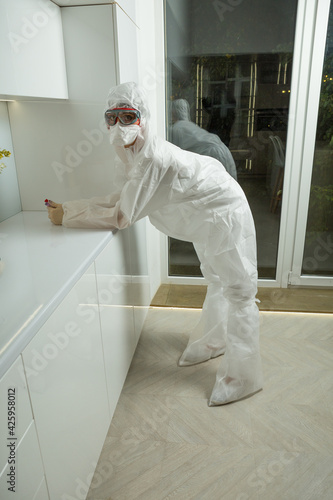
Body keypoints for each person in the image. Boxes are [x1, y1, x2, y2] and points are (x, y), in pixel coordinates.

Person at [47, 81, 263, 406]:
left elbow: (122, 214)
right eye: (111, 117)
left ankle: (242, 377)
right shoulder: (134, 152)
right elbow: (122, 197)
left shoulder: (152, 159)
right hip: (205, 211)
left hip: (223, 211)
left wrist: (66, 218)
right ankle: (214, 342)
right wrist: (69, 207)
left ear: (143, 118)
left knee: (239, 289)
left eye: (127, 116)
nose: (119, 126)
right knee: (217, 278)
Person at [171, 99, 237, 180]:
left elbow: (176, 158)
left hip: (212, 154)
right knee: (228, 182)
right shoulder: (190, 125)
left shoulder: (176, 129)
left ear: (173, 112)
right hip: (222, 149)